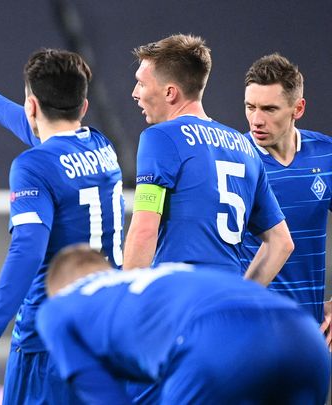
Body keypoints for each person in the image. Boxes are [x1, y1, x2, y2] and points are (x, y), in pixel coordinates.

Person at [0, 49, 125, 404]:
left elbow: (27, 250)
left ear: (32, 105)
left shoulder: (32, 167)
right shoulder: (103, 148)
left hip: (47, 338)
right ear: (84, 106)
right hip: (106, 328)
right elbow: (46, 140)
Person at [37, 244, 331, 404]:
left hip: (214, 341)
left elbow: (101, 393)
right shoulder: (156, 278)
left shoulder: (58, 307)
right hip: (301, 331)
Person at [123, 34, 293, 286]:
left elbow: (144, 230)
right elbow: (281, 242)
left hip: (180, 300)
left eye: (141, 84)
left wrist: (122, 305)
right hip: (226, 305)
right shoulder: (245, 147)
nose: (135, 93)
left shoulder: (161, 138)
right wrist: (242, 294)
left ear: (170, 92)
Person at [240, 53, 332, 349]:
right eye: (250, 107)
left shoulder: (326, 154)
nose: (256, 119)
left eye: (269, 109)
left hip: (311, 338)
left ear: (298, 108)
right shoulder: (236, 160)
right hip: (251, 332)